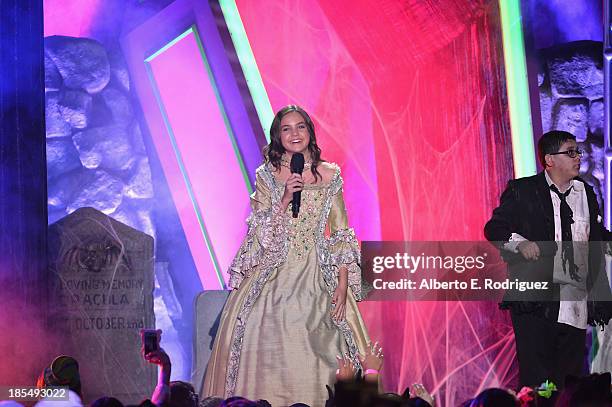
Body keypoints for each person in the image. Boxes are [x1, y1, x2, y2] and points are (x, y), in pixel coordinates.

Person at [201, 105, 370, 405]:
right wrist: (284, 200)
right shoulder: (266, 175)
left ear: (310, 131)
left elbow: (342, 234)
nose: (294, 134)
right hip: (272, 275)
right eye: (287, 128)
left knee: (325, 351)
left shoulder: (330, 174)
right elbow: (259, 231)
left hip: (319, 275)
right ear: (278, 136)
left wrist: (343, 286)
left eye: (300, 126)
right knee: (267, 345)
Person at [484, 130, 612, 387]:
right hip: (536, 303)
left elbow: (596, 235)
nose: (578, 157)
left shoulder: (585, 193)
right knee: (538, 381)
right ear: (550, 159)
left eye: (578, 151)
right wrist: (520, 244)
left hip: (575, 302)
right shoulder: (523, 190)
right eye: (571, 152)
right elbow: (494, 228)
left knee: (569, 379)